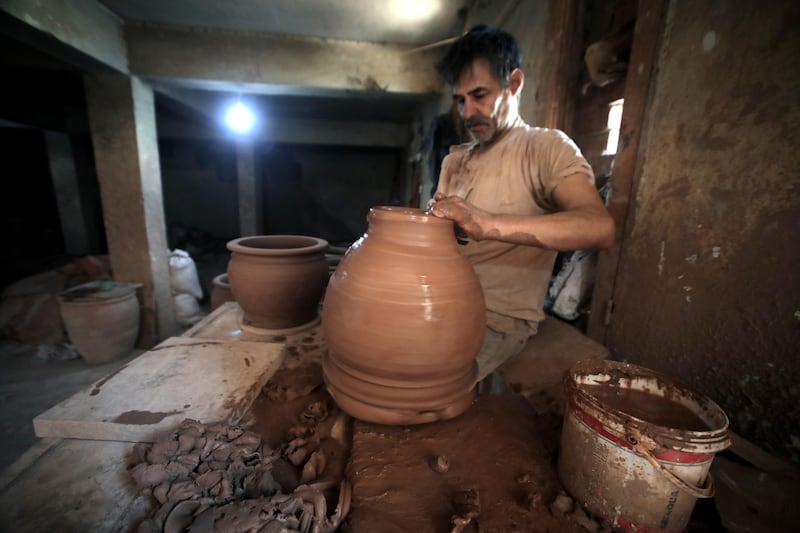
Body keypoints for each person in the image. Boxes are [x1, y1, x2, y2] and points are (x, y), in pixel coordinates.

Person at [427, 25, 615, 377]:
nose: (468, 113)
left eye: (480, 95)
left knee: (413, 380)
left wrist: (488, 224)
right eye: (460, 100)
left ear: (514, 83)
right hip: (440, 298)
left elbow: (598, 227)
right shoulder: (455, 159)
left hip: (497, 317)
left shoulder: (545, 148)